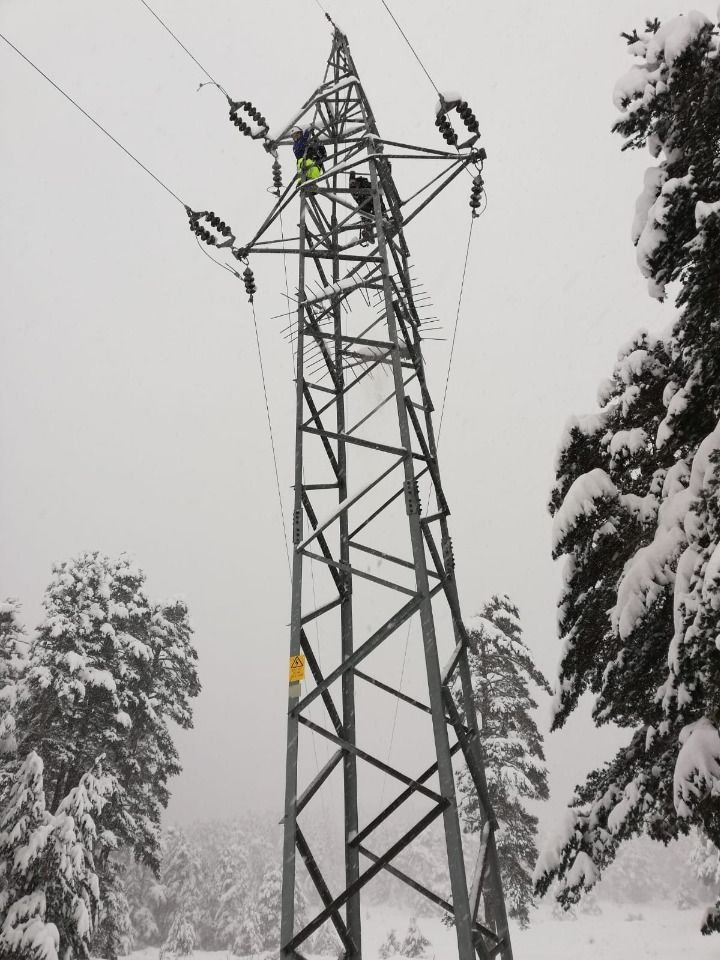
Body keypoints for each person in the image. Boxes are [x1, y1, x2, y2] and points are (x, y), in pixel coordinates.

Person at [348, 170, 374, 243]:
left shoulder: (365, 186)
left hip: (368, 203)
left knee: (367, 215)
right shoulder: (364, 187)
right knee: (367, 216)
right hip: (367, 204)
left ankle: (369, 230)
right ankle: (369, 231)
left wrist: (352, 175)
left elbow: (352, 185)